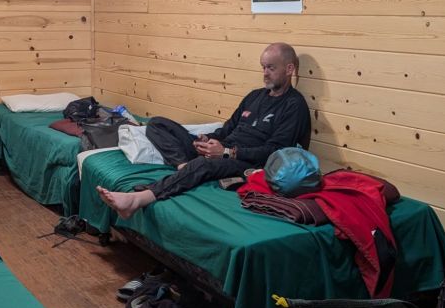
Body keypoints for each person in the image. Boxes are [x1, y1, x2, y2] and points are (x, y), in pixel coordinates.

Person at [98, 42, 311, 219]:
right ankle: (184, 166)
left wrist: (227, 153)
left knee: (204, 164)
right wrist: (207, 139)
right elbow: (228, 128)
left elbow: (276, 152)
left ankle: (137, 200)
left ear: (289, 69)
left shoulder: (294, 105)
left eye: (271, 68)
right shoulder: (255, 96)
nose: (265, 74)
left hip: (245, 162)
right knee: (157, 124)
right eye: (263, 67)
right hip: (223, 149)